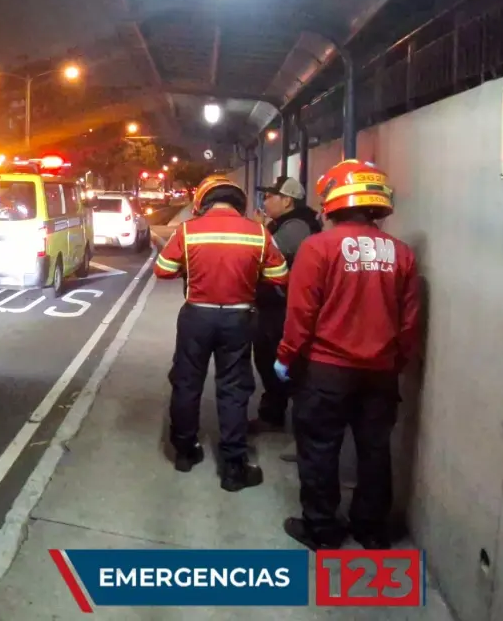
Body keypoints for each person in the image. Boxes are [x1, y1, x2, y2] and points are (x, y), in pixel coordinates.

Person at [274, 159, 421, 550]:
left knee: (320, 449)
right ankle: (371, 530)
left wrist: (286, 357)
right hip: (381, 373)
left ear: (333, 203)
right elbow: (409, 323)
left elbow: (301, 313)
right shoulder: (401, 254)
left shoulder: (318, 247)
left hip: (326, 371)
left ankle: (322, 530)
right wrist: (396, 362)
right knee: (375, 450)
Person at [154, 175, 289, 492]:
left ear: (202, 202)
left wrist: (189, 266)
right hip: (239, 319)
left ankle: (185, 453)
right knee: (234, 389)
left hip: (196, 316)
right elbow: (280, 275)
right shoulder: (258, 232)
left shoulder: (188, 231)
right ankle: (233, 469)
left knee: (187, 383)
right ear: (238, 202)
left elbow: (162, 269)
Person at [250, 176, 323, 438]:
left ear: (287, 200)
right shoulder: (285, 223)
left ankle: (302, 430)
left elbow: (268, 254)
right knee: (268, 362)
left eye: (270, 196)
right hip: (273, 306)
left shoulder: (297, 226)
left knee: (286, 367)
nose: (265, 201)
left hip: (284, 308)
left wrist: (260, 231)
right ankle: (272, 415)